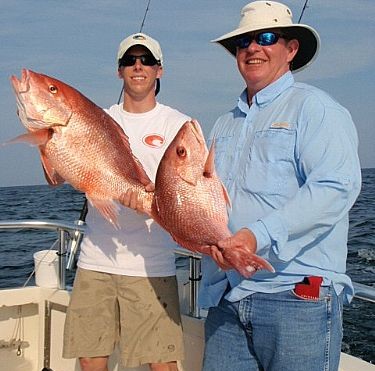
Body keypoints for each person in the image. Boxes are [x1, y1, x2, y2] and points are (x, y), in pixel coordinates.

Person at [200, 2, 362, 371]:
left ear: (290, 50)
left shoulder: (315, 108)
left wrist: (256, 236)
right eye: (243, 41)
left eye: (266, 37)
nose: (253, 48)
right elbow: (208, 198)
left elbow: (336, 187)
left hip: (296, 295)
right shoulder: (223, 124)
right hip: (227, 294)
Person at [63, 32, 190, 371]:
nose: (138, 66)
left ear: (159, 70)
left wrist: (148, 199)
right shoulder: (96, 120)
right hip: (95, 260)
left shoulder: (178, 124)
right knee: (90, 359)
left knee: (162, 362)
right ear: (118, 71)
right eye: (129, 61)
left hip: (152, 265)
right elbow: (62, 174)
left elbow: (186, 189)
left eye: (146, 60)